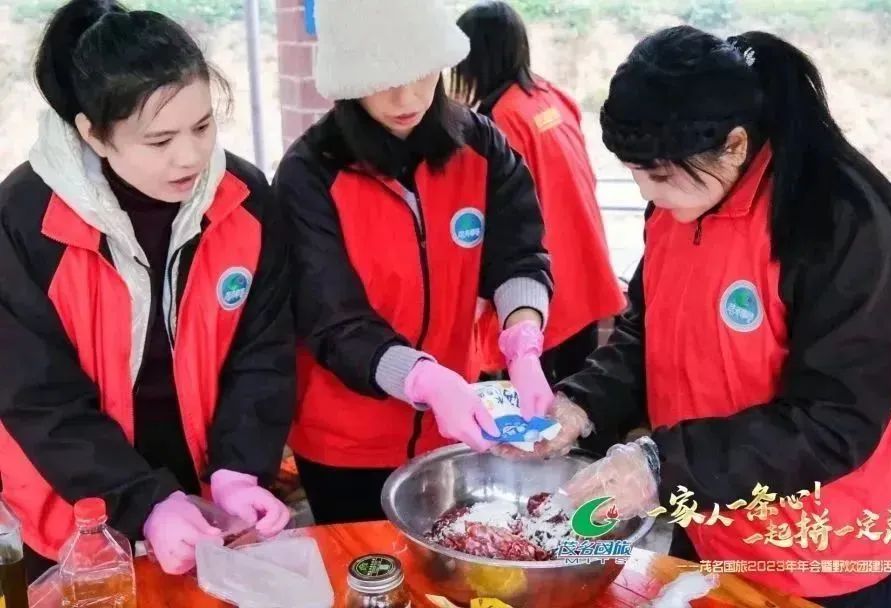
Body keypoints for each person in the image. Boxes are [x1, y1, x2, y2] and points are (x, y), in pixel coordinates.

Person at [527, 26, 891, 606]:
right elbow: (648, 330)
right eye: (636, 173)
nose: (649, 195)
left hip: (816, 559)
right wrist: (583, 402)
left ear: (734, 145)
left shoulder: (839, 223)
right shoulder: (679, 203)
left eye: (660, 176)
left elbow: (837, 419)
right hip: (704, 522)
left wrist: (659, 464)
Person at [0, 0, 295, 579]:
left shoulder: (244, 199)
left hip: (206, 493)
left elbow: (263, 351)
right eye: (159, 141)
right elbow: (37, 397)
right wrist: (144, 501)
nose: (190, 156)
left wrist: (239, 470)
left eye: (203, 127)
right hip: (79, 509)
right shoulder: (24, 223)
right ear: (93, 134)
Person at [274, 0, 556, 525]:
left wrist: (523, 338)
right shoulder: (309, 175)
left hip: (453, 428)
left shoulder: (481, 146)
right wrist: (425, 380)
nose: (406, 98)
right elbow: (332, 320)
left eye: (421, 71)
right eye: (382, 79)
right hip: (346, 441)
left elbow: (519, 253)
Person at [452, 1, 626, 384]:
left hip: (541, 291)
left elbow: (497, 220)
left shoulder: (497, 122)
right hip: (586, 270)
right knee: (578, 392)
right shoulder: (551, 96)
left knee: (534, 403)